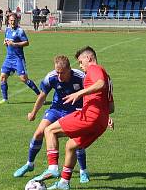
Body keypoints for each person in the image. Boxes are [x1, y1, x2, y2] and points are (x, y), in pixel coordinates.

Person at [32, 46, 114, 190]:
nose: (81, 66)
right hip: (100, 121)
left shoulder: (95, 69)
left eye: (81, 62)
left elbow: (100, 84)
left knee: (49, 130)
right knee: (71, 146)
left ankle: (52, 168)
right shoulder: (107, 76)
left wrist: (79, 93)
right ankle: (64, 182)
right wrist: (105, 117)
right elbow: (111, 107)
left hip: (91, 116)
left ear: (88, 58)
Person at [12, 55, 91, 183]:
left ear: (69, 69)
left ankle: (83, 171)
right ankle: (29, 164)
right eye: (57, 72)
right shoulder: (51, 77)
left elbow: (92, 95)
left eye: (62, 73)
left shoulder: (80, 77)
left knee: (76, 140)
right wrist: (33, 112)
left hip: (74, 111)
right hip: (57, 109)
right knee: (38, 133)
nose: (59, 76)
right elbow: (43, 96)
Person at [0, 13, 41, 105]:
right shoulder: (7, 30)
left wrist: (15, 44)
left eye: (14, 20)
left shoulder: (20, 31)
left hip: (18, 59)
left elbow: (27, 42)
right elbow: (7, 39)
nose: (12, 22)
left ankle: (39, 95)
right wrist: (5, 42)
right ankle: (5, 99)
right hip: (8, 58)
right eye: (11, 20)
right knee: (3, 77)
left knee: (23, 79)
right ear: (8, 21)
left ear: (17, 21)